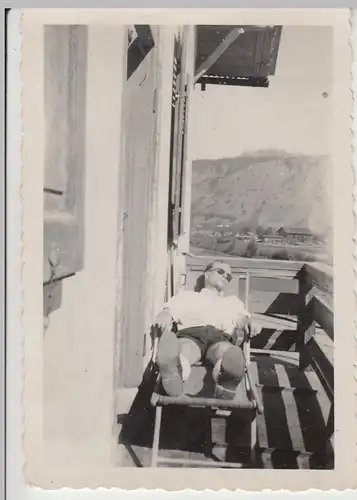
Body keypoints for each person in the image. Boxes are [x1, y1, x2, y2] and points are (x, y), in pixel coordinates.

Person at [153, 260, 257, 398]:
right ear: (207, 275)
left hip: (220, 337)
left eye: (228, 277)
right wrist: (165, 314)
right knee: (186, 349)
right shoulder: (188, 296)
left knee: (226, 352)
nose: (225, 276)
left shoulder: (232, 301)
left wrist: (249, 322)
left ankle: (226, 378)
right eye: (220, 272)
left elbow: (241, 318)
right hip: (191, 335)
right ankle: (175, 373)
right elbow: (171, 309)